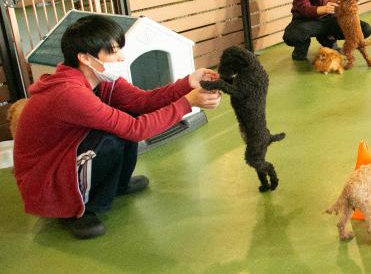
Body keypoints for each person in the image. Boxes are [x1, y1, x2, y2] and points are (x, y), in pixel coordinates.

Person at [13, 14, 221, 240]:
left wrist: (188, 82)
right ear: (86, 58)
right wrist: (188, 102)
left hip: (66, 154)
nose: (121, 57)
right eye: (113, 51)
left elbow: (143, 102)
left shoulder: (101, 79)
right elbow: (136, 129)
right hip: (46, 179)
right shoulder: (69, 93)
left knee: (124, 118)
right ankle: (76, 211)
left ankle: (118, 184)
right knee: (110, 137)